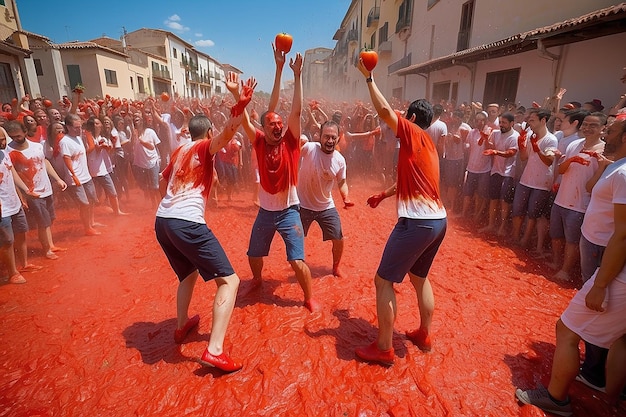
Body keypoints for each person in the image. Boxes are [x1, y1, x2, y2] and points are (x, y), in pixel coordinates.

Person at [515, 117, 626, 416]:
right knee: (622, 340)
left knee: (566, 330)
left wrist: (601, 284)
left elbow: (623, 234)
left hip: (617, 272)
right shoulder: (616, 165)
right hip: (611, 261)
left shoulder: (625, 172)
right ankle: (610, 398)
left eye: (612, 130)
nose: (606, 133)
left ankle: (556, 398)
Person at [154, 77, 255, 373]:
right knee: (230, 281)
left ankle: (182, 324)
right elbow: (227, 135)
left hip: (163, 221)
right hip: (186, 222)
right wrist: (239, 102)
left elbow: (164, 183)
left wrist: (171, 209)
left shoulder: (178, 151)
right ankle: (215, 350)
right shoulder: (202, 148)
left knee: (188, 273)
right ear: (207, 132)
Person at [353, 58, 447, 366]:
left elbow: (382, 112)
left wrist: (369, 78)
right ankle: (424, 334)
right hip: (437, 222)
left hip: (417, 223)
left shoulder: (411, 132)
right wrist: (384, 194)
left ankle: (383, 348)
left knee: (383, 281)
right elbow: (413, 180)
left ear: (413, 116)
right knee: (419, 278)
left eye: (405, 115)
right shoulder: (428, 144)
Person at [234, 45, 319, 312]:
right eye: (272, 123)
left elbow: (296, 111)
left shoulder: (292, 142)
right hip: (265, 212)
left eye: (280, 123)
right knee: (253, 255)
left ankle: (308, 297)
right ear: (264, 128)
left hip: (289, 212)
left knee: (296, 261)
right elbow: (245, 121)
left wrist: (298, 76)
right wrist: (238, 96)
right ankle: (257, 280)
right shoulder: (258, 141)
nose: (278, 126)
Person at [549, 113, 606, 282]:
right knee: (556, 235)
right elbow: (561, 169)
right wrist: (572, 159)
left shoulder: (604, 151)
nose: (587, 128)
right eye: (585, 124)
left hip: (581, 203)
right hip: (561, 198)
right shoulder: (574, 144)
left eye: (593, 125)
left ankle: (566, 270)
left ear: (603, 128)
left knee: (572, 240)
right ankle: (556, 262)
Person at [297, 120, 354, 278]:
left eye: (333, 137)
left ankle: (335, 268)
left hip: (326, 206)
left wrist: (346, 197)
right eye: (326, 137)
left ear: (338, 138)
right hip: (302, 204)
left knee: (338, 238)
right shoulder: (309, 148)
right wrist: (298, 140)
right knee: (296, 238)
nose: (329, 141)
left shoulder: (340, 160)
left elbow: (342, 182)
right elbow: (293, 149)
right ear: (319, 137)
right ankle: (300, 269)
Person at [5, 121, 67, 261]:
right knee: (43, 222)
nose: (16, 139)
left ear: (25, 132)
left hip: (46, 189)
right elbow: (11, 175)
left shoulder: (37, 146)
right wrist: (22, 195)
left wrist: (57, 179)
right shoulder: (9, 151)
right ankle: (47, 250)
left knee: (49, 219)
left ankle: (51, 244)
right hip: (32, 193)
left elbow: (45, 162)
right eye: (13, 137)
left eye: (19, 136)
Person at [510, 108, 557, 250]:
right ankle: (515, 236)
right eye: (529, 120)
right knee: (518, 209)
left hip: (542, 182)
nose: (529, 123)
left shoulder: (551, 139)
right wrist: (521, 145)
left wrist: (537, 148)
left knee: (532, 214)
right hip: (526, 179)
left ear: (543, 121)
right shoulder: (530, 135)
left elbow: (549, 160)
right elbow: (524, 157)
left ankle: (525, 240)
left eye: (532, 120)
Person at [59, 114, 101, 236]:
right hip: (75, 178)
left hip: (86, 175)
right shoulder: (65, 142)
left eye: (80, 127)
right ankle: (87, 228)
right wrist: (73, 175)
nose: (79, 129)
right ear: (68, 127)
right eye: (76, 127)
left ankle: (91, 222)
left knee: (92, 200)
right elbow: (67, 159)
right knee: (84, 204)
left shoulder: (78, 138)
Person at [479, 113, 519, 235]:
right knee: (493, 198)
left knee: (504, 201)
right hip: (496, 170)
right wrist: (486, 139)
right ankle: (491, 225)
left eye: (504, 123)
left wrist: (495, 151)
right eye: (500, 122)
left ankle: (501, 227)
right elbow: (489, 147)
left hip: (508, 172)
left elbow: (511, 152)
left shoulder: (515, 136)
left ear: (512, 123)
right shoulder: (496, 133)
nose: (501, 125)